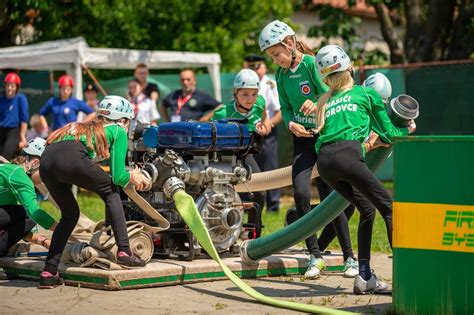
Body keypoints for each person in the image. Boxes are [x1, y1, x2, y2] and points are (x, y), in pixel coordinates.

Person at [310, 45, 416, 294]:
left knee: (367, 211)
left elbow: (328, 140)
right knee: (389, 209)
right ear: (350, 67)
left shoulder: (326, 100)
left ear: (325, 77)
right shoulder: (365, 94)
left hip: (324, 163)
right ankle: (407, 279)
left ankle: (365, 277)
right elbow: (388, 134)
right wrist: (406, 130)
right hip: (347, 156)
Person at [259, 20, 358, 279]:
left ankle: (350, 258)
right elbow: (286, 107)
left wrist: (317, 105)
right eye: (271, 56)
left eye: (276, 53)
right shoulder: (280, 75)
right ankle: (315, 255)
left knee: (330, 198)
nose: (275, 60)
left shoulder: (312, 64)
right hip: (301, 140)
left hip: (323, 136)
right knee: (301, 193)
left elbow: (333, 93)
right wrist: (291, 124)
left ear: (290, 43)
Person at [38, 95, 150, 288]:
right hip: (71, 158)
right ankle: (124, 251)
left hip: (46, 162)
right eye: (128, 122)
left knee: (70, 215)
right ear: (122, 120)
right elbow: (118, 178)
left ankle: (49, 271)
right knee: (111, 191)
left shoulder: (81, 127)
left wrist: (127, 173)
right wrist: (134, 176)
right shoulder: (117, 130)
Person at [212, 69, 271, 238]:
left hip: (249, 153)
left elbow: (265, 117)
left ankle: (253, 231)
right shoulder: (223, 112)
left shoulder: (259, 102)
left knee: (260, 190)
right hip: (228, 155)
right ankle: (226, 229)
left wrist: (265, 127)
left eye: (253, 94)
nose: (250, 99)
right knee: (227, 193)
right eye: (245, 94)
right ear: (235, 93)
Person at [0, 138, 57, 257]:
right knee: (25, 213)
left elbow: (24, 228)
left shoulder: (8, 170)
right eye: (45, 169)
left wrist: (44, 242)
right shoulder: (19, 175)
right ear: (35, 163)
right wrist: (63, 230)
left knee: (24, 219)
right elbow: (35, 213)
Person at [244, 54, 282, 213]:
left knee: (270, 168)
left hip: (267, 133)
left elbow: (279, 111)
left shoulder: (269, 84)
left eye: (258, 66)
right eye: (251, 66)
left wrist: (268, 126)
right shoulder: (243, 84)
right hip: (250, 133)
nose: (255, 70)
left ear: (264, 67)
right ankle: (251, 204)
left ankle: (273, 205)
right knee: (250, 169)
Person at [0, 72, 29, 159]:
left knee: (5, 157)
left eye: (12, 86)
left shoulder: (21, 98)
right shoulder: (1, 100)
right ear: (5, 86)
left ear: (16, 88)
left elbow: (24, 120)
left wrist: (22, 137)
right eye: (8, 85)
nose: (9, 88)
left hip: (13, 132)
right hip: (1, 131)